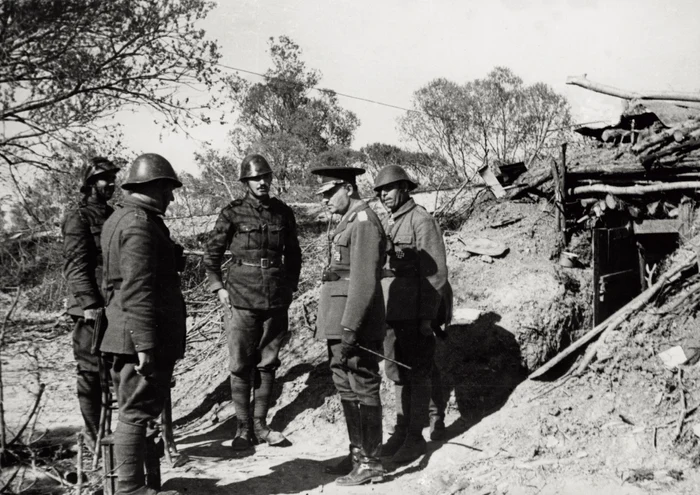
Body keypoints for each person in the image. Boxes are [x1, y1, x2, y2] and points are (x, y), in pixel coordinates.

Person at [100, 153, 186, 495]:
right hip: (135, 337)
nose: (172, 197)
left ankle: (130, 487)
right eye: (167, 189)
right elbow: (137, 288)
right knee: (135, 413)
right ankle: (130, 489)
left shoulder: (123, 218)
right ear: (149, 187)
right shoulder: (138, 224)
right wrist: (145, 345)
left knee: (133, 411)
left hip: (124, 332)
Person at [204, 154, 302, 450]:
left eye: (266, 177)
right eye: (255, 178)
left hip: (275, 298)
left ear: (271, 179)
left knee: (268, 363)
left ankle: (261, 425)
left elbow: (294, 255)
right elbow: (212, 255)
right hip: (241, 298)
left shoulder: (283, 213)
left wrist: (290, 288)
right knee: (240, 364)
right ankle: (243, 428)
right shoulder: (232, 213)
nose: (262, 182)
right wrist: (218, 288)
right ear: (245, 182)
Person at [312, 166, 387, 486]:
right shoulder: (346, 220)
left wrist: (351, 327)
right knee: (344, 384)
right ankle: (358, 453)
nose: (326, 200)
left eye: (330, 193)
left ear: (348, 187)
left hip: (354, 319)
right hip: (337, 317)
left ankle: (371, 461)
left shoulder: (364, 221)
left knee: (363, 383)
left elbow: (364, 281)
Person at [373, 165, 448, 464]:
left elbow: (436, 274)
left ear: (404, 188)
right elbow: (398, 260)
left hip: (416, 311)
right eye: (379, 191)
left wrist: (427, 318)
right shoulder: (391, 223)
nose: (382, 195)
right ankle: (403, 429)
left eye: (388, 189)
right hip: (394, 311)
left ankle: (416, 436)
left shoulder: (421, 220)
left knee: (417, 370)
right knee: (397, 371)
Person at [62, 156, 120, 447]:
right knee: (89, 370)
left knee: (114, 370)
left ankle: (116, 436)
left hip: (114, 304)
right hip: (90, 308)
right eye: (104, 179)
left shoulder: (115, 215)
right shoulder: (78, 217)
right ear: (90, 183)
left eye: (113, 178)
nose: (111, 183)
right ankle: (93, 434)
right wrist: (89, 304)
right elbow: (75, 265)